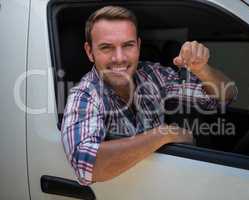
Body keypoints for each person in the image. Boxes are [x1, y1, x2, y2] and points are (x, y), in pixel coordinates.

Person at [61, 5, 237, 186]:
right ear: (90, 52)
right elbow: (86, 166)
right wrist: (164, 134)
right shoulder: (84, 95)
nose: (119, 58)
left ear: (138, 45)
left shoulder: (152, 74)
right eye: (107, 47)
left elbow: (223, 97)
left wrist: (202, 70)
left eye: (128, 45)